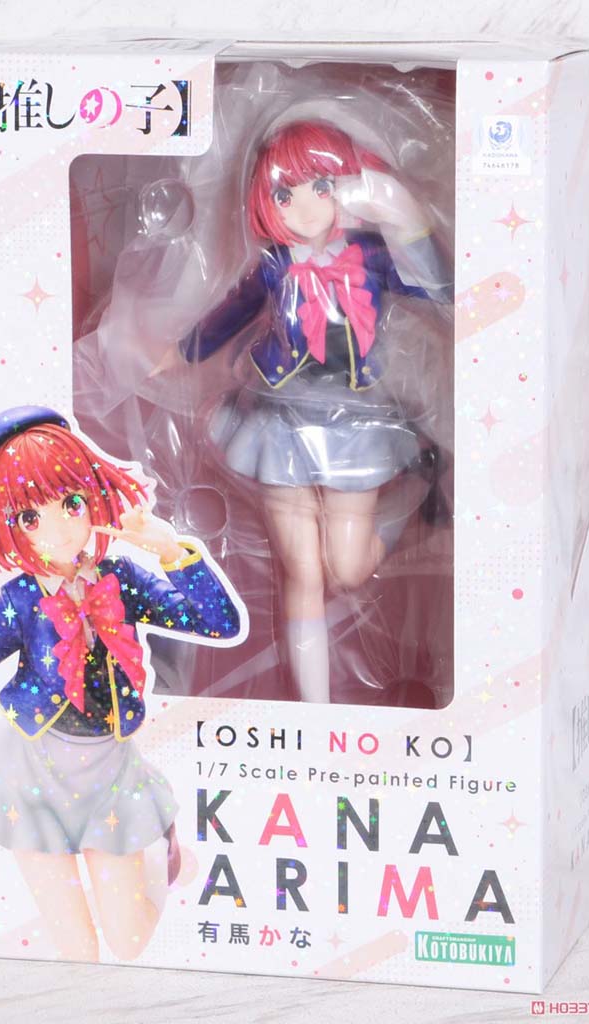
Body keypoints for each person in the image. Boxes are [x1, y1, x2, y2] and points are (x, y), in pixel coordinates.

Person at [0, 406, 244, 961]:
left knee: (129, 941)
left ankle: (160, 852)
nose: (61, 529)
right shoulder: (22, 601)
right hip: (29, 769)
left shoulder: (122, 579)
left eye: (71, 503)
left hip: (109, 769)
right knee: (76, 948)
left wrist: (169, 549)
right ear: (4, 524)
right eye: (30, 517)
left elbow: (219, 623)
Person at [181, 119, 451, 703]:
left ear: (346, 190)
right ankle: (315, 711)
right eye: (285, 194)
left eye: (320, 187)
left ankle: (413, 486)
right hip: (279, 419)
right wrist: (180, 351)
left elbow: (440, 290)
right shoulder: (275, 265)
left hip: (354, 422)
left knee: (347, 569)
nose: (304, 207)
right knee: (301, 572)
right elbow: (233, 311)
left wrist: (405, 215)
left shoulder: (371, 256)